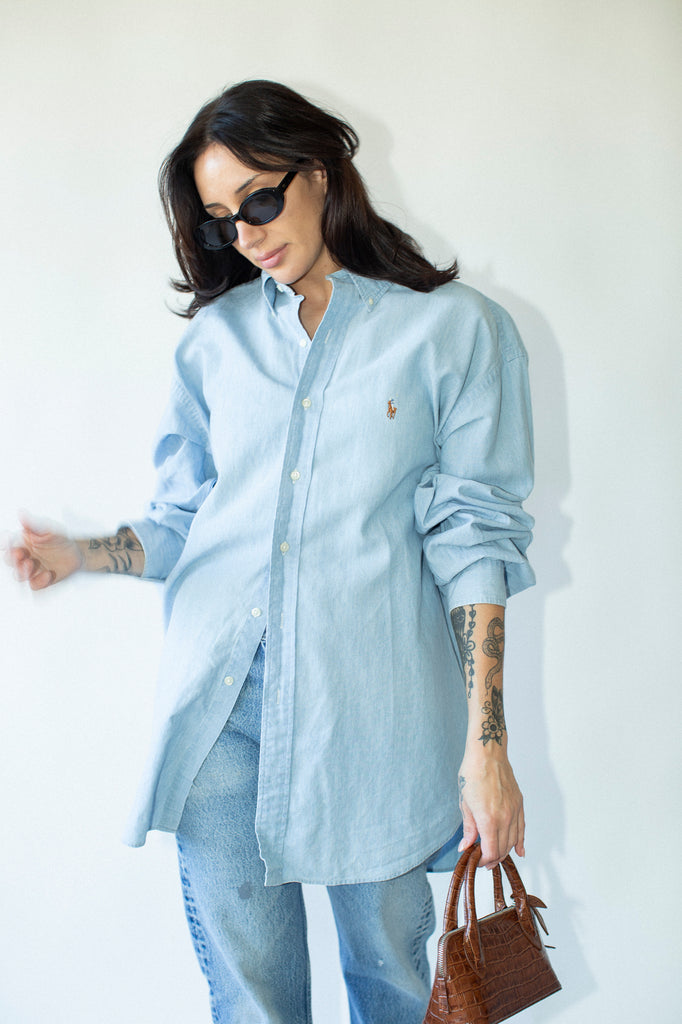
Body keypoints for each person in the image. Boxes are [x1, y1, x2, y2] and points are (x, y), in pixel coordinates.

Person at [7, 80, 535, 1024]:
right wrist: (79, 554)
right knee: (250, 1002)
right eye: (219, 221)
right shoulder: (215, 344)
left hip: (374, 725)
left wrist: (486, 748)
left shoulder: (454, 332)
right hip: (220, 721)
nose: (246, 233)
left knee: (397, 985)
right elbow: (184, 520)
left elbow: (475, 541)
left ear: (320, 173)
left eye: (259, 199)